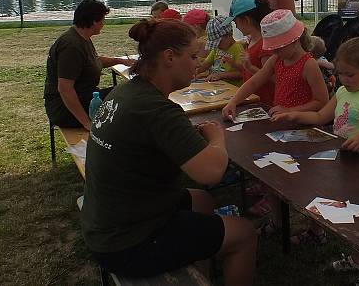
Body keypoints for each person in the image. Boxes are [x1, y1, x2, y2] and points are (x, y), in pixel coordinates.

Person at [81, 18, 256, 285]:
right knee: (244, 233)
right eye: (193, 56)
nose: (198, 63)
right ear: (169, 57)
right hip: (126, 241)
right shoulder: (157, 110)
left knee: (202, 202)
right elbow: (211, 172)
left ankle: (200, 269)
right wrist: (216, 137)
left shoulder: (127, 92)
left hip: (109, 218)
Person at [274, 37, 359, 153]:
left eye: (350, 75)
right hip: (343, 153)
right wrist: (292, 115)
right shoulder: (342, 91)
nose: (344, 80)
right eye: (340, 73)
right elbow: (320, 117)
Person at [44, 0, 133, 130]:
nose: (103, 24)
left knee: (128, 92)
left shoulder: (81, 38)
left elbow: (93, 61)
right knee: (129, 97)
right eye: (102, 20)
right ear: (93, 21)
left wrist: (121, 61)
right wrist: (87, 123)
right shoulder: (71, 46)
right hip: (64, 110)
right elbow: (65, 89)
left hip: (85, 98)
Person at [222, 9, 328, 119]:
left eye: (278, 48)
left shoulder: (309, 64)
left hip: (302, 123)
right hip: (280, 119)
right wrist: (233, 101)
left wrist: (290, 111)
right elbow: (254, 82)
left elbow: (321, 101)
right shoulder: (276, 58)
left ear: (295, 40)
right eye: (272, 48)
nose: (273, 52)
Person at [226, 0, 274, 108]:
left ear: (246, 20)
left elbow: (270, 77)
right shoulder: (251, 40)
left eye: (235, 22)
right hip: (254, 99)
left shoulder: (264, 45)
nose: (236, 27)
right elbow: (247, 70)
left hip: (266, 103)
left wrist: (250, 68)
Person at [195, 16, 244, 84]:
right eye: (214, 43)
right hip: (217, 85)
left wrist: (221, 75)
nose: (217, 45)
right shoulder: (216, 49)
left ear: (229, 35)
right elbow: (205, 65)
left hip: (232, 88)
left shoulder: (237, 48)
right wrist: (195, 71)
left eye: (218, 42)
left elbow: (242, 73)